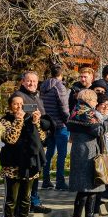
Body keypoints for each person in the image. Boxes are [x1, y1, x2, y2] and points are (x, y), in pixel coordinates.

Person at [0, 94, 47, 217]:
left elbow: (42, 138)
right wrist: (18, 120)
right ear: (10, 106)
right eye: (15, 104)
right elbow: (10, 139)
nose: (19, 107)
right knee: (11, 197)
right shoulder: (5, 120)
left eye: (21, 104)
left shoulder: (30, 119)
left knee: (26, 196)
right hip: (12, 163)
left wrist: (36, 122)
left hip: (29, 163)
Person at [68, 88, 106, 217]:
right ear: (89, 100)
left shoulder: (76, 110)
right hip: (86, 151)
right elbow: (98, 130)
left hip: (82, 150)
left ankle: (88, 216)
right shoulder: (86, 113)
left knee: (92, 185)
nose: (96, 103)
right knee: (85, 186)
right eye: (95, 100)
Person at [13, 71, 51, 214]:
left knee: (36, 172)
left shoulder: (36, 96)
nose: (32, 84)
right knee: (27, 174)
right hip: (25, 141)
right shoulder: (19, 96)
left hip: (37, 140)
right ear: (23, 81)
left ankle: (33, 200)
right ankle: (24, 203)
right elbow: (18, 114)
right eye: (29, 81)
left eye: (35, 81)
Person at [40, 62, 71, 191]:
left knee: (49, 153)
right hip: (60, 124)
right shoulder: (60, 87)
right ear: (61, 74)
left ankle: (46, 180)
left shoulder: (43, 86)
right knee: (62, 154)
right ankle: (60, 181)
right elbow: (64, 108)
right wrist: (68, 122)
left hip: (48, 124)